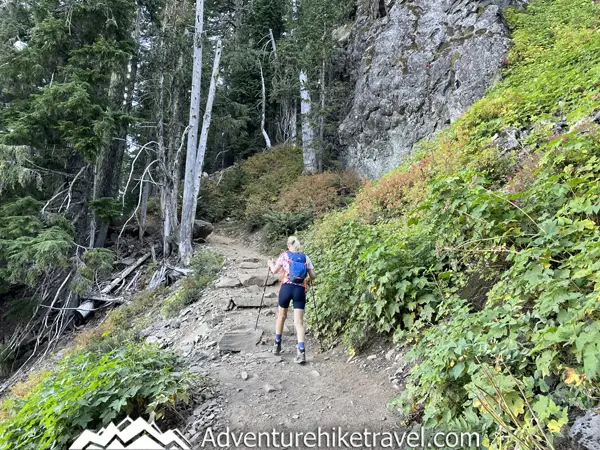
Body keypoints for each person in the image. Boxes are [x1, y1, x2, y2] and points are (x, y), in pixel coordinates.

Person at [267, 236, 316, 364]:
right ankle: (301, 352)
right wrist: (308, 280)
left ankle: (276, 345)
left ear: (289, 245)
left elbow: (274, 270)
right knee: (299, 322)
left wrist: (270, 263)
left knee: (281, 316)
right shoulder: (305, 257)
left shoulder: (284, 255)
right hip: (300, 291)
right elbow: (313, 276)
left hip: (286, 289)